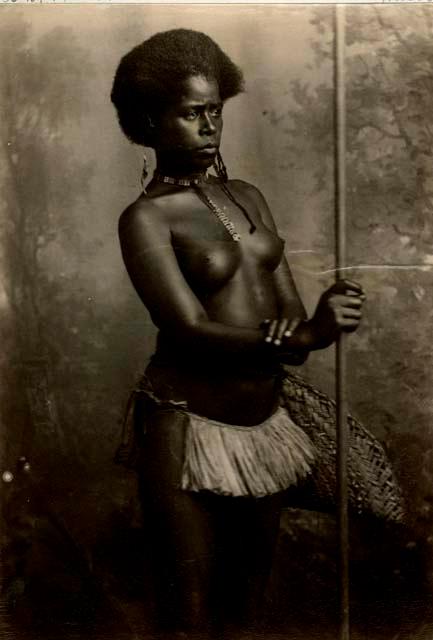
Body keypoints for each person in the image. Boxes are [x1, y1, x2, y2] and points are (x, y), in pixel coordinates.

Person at [110, 28, 367, 639]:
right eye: (190, 113)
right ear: (150, 120)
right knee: (189, 616)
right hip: (186, 428)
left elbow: (295, 330)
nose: (208, 127)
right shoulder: (145, 217)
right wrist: (302, 338)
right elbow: (189, 328)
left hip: (265, 428)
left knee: (246, 609)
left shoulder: (248, 198)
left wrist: (326, 321)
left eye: (215, 111)